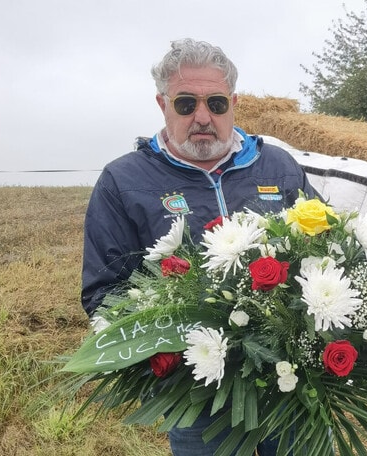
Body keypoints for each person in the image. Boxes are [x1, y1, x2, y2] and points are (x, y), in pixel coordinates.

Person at [80, 38, 318, 455]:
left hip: (292, 386)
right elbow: (104, 292)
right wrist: (173, 351)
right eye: (187, 104)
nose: (203, 117)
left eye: (217, 104)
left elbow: (324, 251)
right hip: (201, 398)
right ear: (162, 104)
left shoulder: (278, 166)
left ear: (234, 103)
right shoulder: (123, 180)